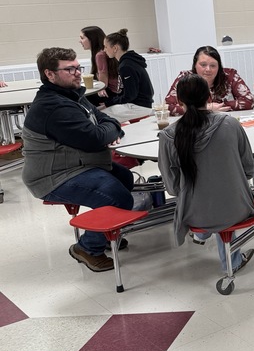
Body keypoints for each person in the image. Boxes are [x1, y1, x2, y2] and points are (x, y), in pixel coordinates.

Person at [21, 47, 133, 272]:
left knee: (124, 177)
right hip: (53, 176)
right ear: (49, 74)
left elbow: (102, 118)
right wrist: (113, 128)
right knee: (116, 196)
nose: (77, 73)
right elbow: (95, 138)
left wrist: (111, 126)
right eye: (69, 69)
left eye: (78, 67)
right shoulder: (53, 106)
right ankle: (87, 248)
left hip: (78, 165)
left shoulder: (71, 96)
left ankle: (105, 233)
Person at [158, 74, 254, 271]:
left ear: (179, 101)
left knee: (201, 197)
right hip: (237, 209)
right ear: (209, 97)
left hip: (194, 215)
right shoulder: (230, 124)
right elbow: (248, 168)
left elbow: (172, 186)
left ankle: (201, 234)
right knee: (224, 193)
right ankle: (232, 263)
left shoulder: (169, 136)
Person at [165, 46, 254, 116]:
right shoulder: (185, 78)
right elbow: (167, 107)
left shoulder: (230, 76)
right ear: (195, 65)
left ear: (219, 67)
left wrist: (216, 107)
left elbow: (249, 102)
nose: (208, 69)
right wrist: (205, 108)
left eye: (213, 66)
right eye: (203, 65)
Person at [98, 29, 155, 122]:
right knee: (100, 111)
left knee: (98, 116)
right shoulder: (129, 62)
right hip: (139, 104)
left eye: (105, 47)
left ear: (115, 48)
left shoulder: (126, 66)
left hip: (138, 107)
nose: (104, 50)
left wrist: (108, 104)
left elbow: (130, 96)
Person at [80, 25, 118, 96]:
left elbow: (103, 80)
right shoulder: (102, 53)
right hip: (114, 90)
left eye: (82, 38)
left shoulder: (100, 55)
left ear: (92, 39)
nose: (80, 41)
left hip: (111, 92)